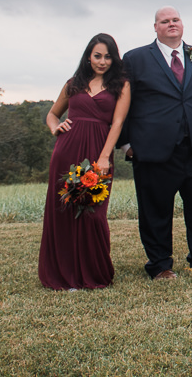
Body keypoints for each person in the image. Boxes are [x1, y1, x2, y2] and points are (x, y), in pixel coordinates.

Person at [120, 6, 192, 279]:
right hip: (153, 150)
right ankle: (160, 265)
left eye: (176, 19)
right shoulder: (134, 59)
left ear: (182, 24)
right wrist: (125, 143)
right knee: (155, 210)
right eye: (164, 21)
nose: (171, 24)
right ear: (155, 27)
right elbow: (121, 103)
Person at [38, 33, 131, 290]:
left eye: (108, 56)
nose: (102, 61)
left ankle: (94, 274)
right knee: (64, 211)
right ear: (88, 57)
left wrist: (104, 157)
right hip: (66, 152)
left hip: (98, 152)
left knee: (93, 214)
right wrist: (55, 127)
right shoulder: (73, 83)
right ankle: (63, 275)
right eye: (97, 56)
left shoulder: (121, 85)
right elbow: (52, 114)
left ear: (114, 58)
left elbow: (118, 123)